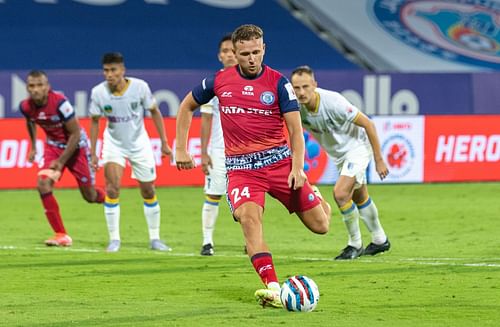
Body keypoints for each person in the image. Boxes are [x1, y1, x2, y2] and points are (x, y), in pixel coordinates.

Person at [175, 24, 331, 308]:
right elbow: (186, 106)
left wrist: (298, 168)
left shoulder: (279, 83)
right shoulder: (218, 81)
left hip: (280, 165)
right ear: (234, 52)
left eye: (256, 52)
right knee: (249, 219)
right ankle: (272, 287)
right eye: (244, 53)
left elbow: (296, 131)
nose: (251, 58)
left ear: (264, 50)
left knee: (321, 226)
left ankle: (315, 194)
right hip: (242, 170)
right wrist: (181, 148)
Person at [290, 65, 391, 260]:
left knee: (341, 193)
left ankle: (355, 244)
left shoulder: (333, 102)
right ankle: (380, 240)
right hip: (338, 156)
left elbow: (368, 124)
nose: (301, 92)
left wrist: (379, 160)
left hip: (357, 149)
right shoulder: (296, 109)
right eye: (297, 88)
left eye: (305, 86)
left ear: (314, 85)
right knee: (360, 197)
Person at [89, 52, 172, 253]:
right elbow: (94, 121)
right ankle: (114, 239)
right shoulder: (98, 92)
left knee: (148, 190)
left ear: (122, 70)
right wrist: (93, 153)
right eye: (106, 70)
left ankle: (155, 238)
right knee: (111, 189)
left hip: (139, 144)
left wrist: (164, 142)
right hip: (113, 144)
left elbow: (154, 111)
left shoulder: (139, 87)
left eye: (113, 70)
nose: (109, 74)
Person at [20, 70, 105, 246]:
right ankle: (61, 235)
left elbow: (75, 134)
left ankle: (111, 199)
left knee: (90, 196)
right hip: (53, 147)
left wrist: (61, 162)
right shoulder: (26, 106)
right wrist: (34, 145)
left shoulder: (60, 104)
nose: (35, 89)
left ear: (47, 87)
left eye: (39, 85)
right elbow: (30, 122)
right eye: (31, 86)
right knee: (43, 183)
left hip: (76, 147)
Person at [199, 34, 237, 256]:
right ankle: (207, 242)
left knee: (247, 197)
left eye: (232, 50)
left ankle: (249, 240)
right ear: (219, 55)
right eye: (224, 50)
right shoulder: (213, 84)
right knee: (214, 194)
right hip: (219, 151)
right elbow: (205, 119)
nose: (229, 54)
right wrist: (204, 153)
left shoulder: (251, 81)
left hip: (246, 151)